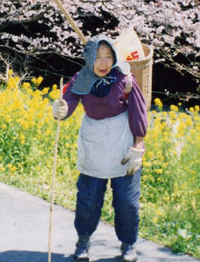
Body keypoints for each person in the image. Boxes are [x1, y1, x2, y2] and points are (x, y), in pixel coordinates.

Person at [52, 35, 148, 262]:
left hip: (122, 143)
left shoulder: (124, 78)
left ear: (114, 58)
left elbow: (138, 111)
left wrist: (138, 144)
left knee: (126, 201)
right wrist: (60, 110)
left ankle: (128, 244)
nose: (103, 63)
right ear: (89, 59)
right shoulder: (81, 79)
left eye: (108, 57)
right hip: (94, 143)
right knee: (88, 198)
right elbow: (69, 103)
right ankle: (83, 242)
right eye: (98, 57)